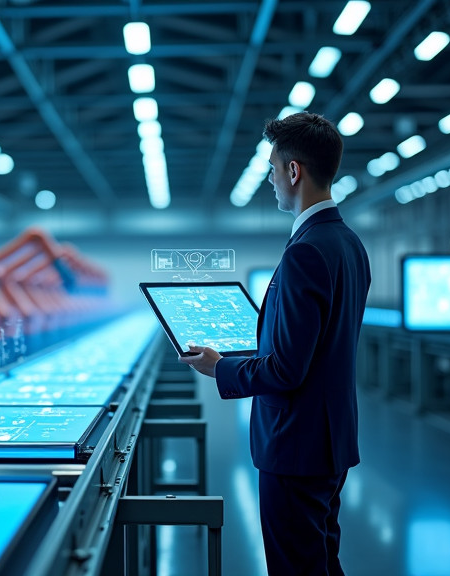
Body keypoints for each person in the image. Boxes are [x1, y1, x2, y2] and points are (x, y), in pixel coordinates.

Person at [181, 111, 371, 575]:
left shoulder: (306, 250)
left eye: (271, 166)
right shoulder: (348, 243)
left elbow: (288, 369)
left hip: (296, 446)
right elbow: (313, 347)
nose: (268, 177)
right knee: (322, 559)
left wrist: (220, 366)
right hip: (330, 441)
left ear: (293, 170)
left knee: (297, 567)